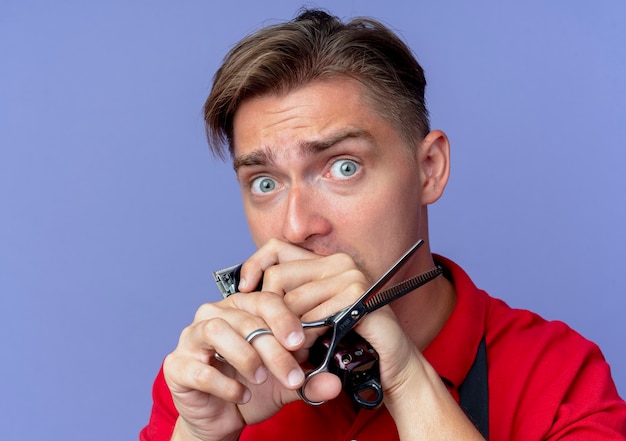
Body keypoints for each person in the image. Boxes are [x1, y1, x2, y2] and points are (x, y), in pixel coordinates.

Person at [140, 9, 626, 440]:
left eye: (343, 167)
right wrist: (202, 437)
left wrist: (409, 380)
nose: (294, 227)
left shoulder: (559, 376)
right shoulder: (213, 377)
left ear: (429, 169)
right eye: (264, 183)